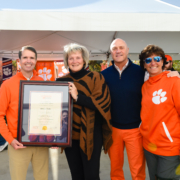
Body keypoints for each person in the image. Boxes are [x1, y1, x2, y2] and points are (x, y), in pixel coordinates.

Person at [56, 43, 112, 180]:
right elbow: (55, 110)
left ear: (84, 59)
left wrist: (77, 97)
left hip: (92, 135)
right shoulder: (61, 81)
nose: (74, 61)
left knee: (91, 175)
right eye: (71, 58)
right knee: (76, 175)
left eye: (77, 57)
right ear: (66, 61)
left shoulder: (96, 77)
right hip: (69, 137)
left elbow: (102, 104)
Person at [0, 46, 49, 180]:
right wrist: (10, 140)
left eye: (32, 58)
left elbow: (48, 111)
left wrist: (56, 137)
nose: (29, 60)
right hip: (18, 143)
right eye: (25, 57)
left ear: (36, 61)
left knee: (42, 177)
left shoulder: (42, 83)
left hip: (41, 142)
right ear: (19, 60)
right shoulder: (7, 85)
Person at [101, 38, 146, 180]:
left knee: (137, 169)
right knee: (115, 169)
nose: (118, 51)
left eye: (121, 47)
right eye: (114, 48)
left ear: (127, 51)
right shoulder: (104, 75)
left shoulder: (141, 72)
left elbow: (158, 80)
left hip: (136, 129)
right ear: (111, 52)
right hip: (113, 129)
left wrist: (173, 74)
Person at [139, 45, 180, 180]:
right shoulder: (145, 86)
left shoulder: (173, 80)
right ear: (144, 65)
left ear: (162, 61)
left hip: (169, 147)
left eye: (157, 58)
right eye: (148, 60)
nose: (153, 63)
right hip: (149, 146)